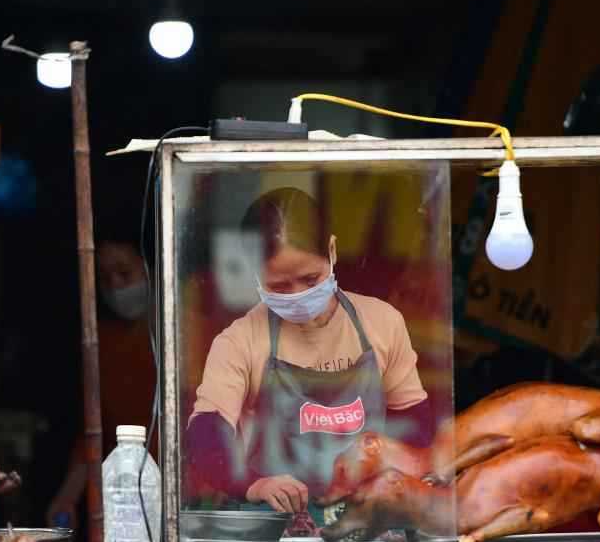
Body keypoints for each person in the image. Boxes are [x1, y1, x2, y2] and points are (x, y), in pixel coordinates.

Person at [184, 187, 433, 517]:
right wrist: (253, 485)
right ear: (255, 272)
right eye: (279, 286)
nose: (298, 296)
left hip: (369, 515)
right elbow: (206, 436)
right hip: (276, 523)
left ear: (331, 250)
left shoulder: (382, 322)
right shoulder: (239, 341)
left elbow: (416, 425)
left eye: (310, 278)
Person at [47, 231, 158, 528]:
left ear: (153, 267)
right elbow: (92, 434)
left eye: (124, 273)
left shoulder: (189, 330)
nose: (116, 286)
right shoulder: (101, 344)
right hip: (126, 501)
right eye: (105, 278)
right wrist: (67, 497)